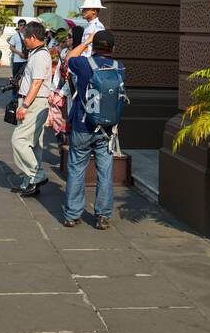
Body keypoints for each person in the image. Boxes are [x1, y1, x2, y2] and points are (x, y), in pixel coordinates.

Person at [62, 30, 125, 230]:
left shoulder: (83, 64)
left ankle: (72, 215)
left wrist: (86, 41)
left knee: (76, 169)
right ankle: (103, 216)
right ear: (113, 49)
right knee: (105, 172)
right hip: (107, 130)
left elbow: (68, 58)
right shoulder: (119, 67)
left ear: (94, 47)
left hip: (83, 125)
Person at [11, 21, 53, 196]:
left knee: (19, 140)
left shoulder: (40, 56)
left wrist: (25, 105)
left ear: (33, 37)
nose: (25, 42)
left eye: (26, 39)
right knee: (34, 143)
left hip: (34, 102)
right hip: (35, 101)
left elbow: (37, 83)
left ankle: (37, 175)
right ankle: (29, 183)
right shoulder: (37, 53)